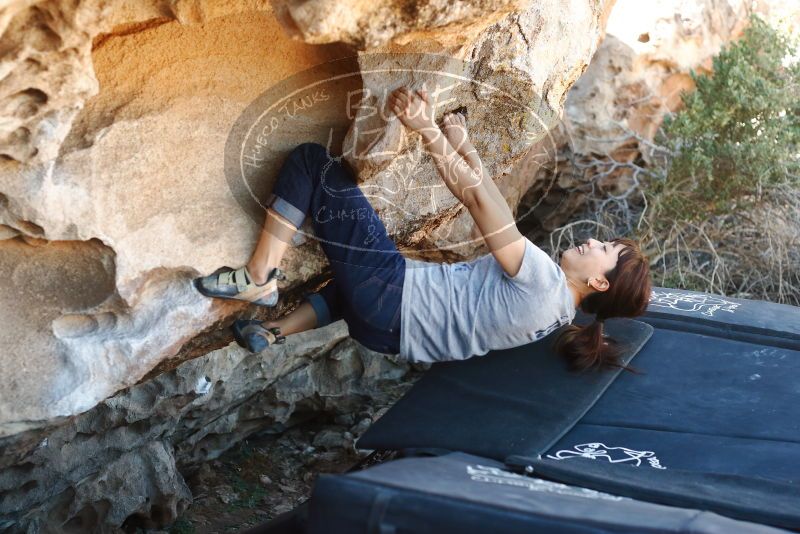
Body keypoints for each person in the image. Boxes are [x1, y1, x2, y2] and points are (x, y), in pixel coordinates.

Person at [194, 85, 651, 372]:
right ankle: (274, 331)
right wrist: (465, 145)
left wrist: (425, 127)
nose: (592, 240)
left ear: (598, 280)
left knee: (313, 164)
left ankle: (259, 277)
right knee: (346, 288)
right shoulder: (556, 315)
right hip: (388, 334)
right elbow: (491, 201)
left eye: (604, 248)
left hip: (392, 296)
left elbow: (475, 201)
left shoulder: (541, 278)